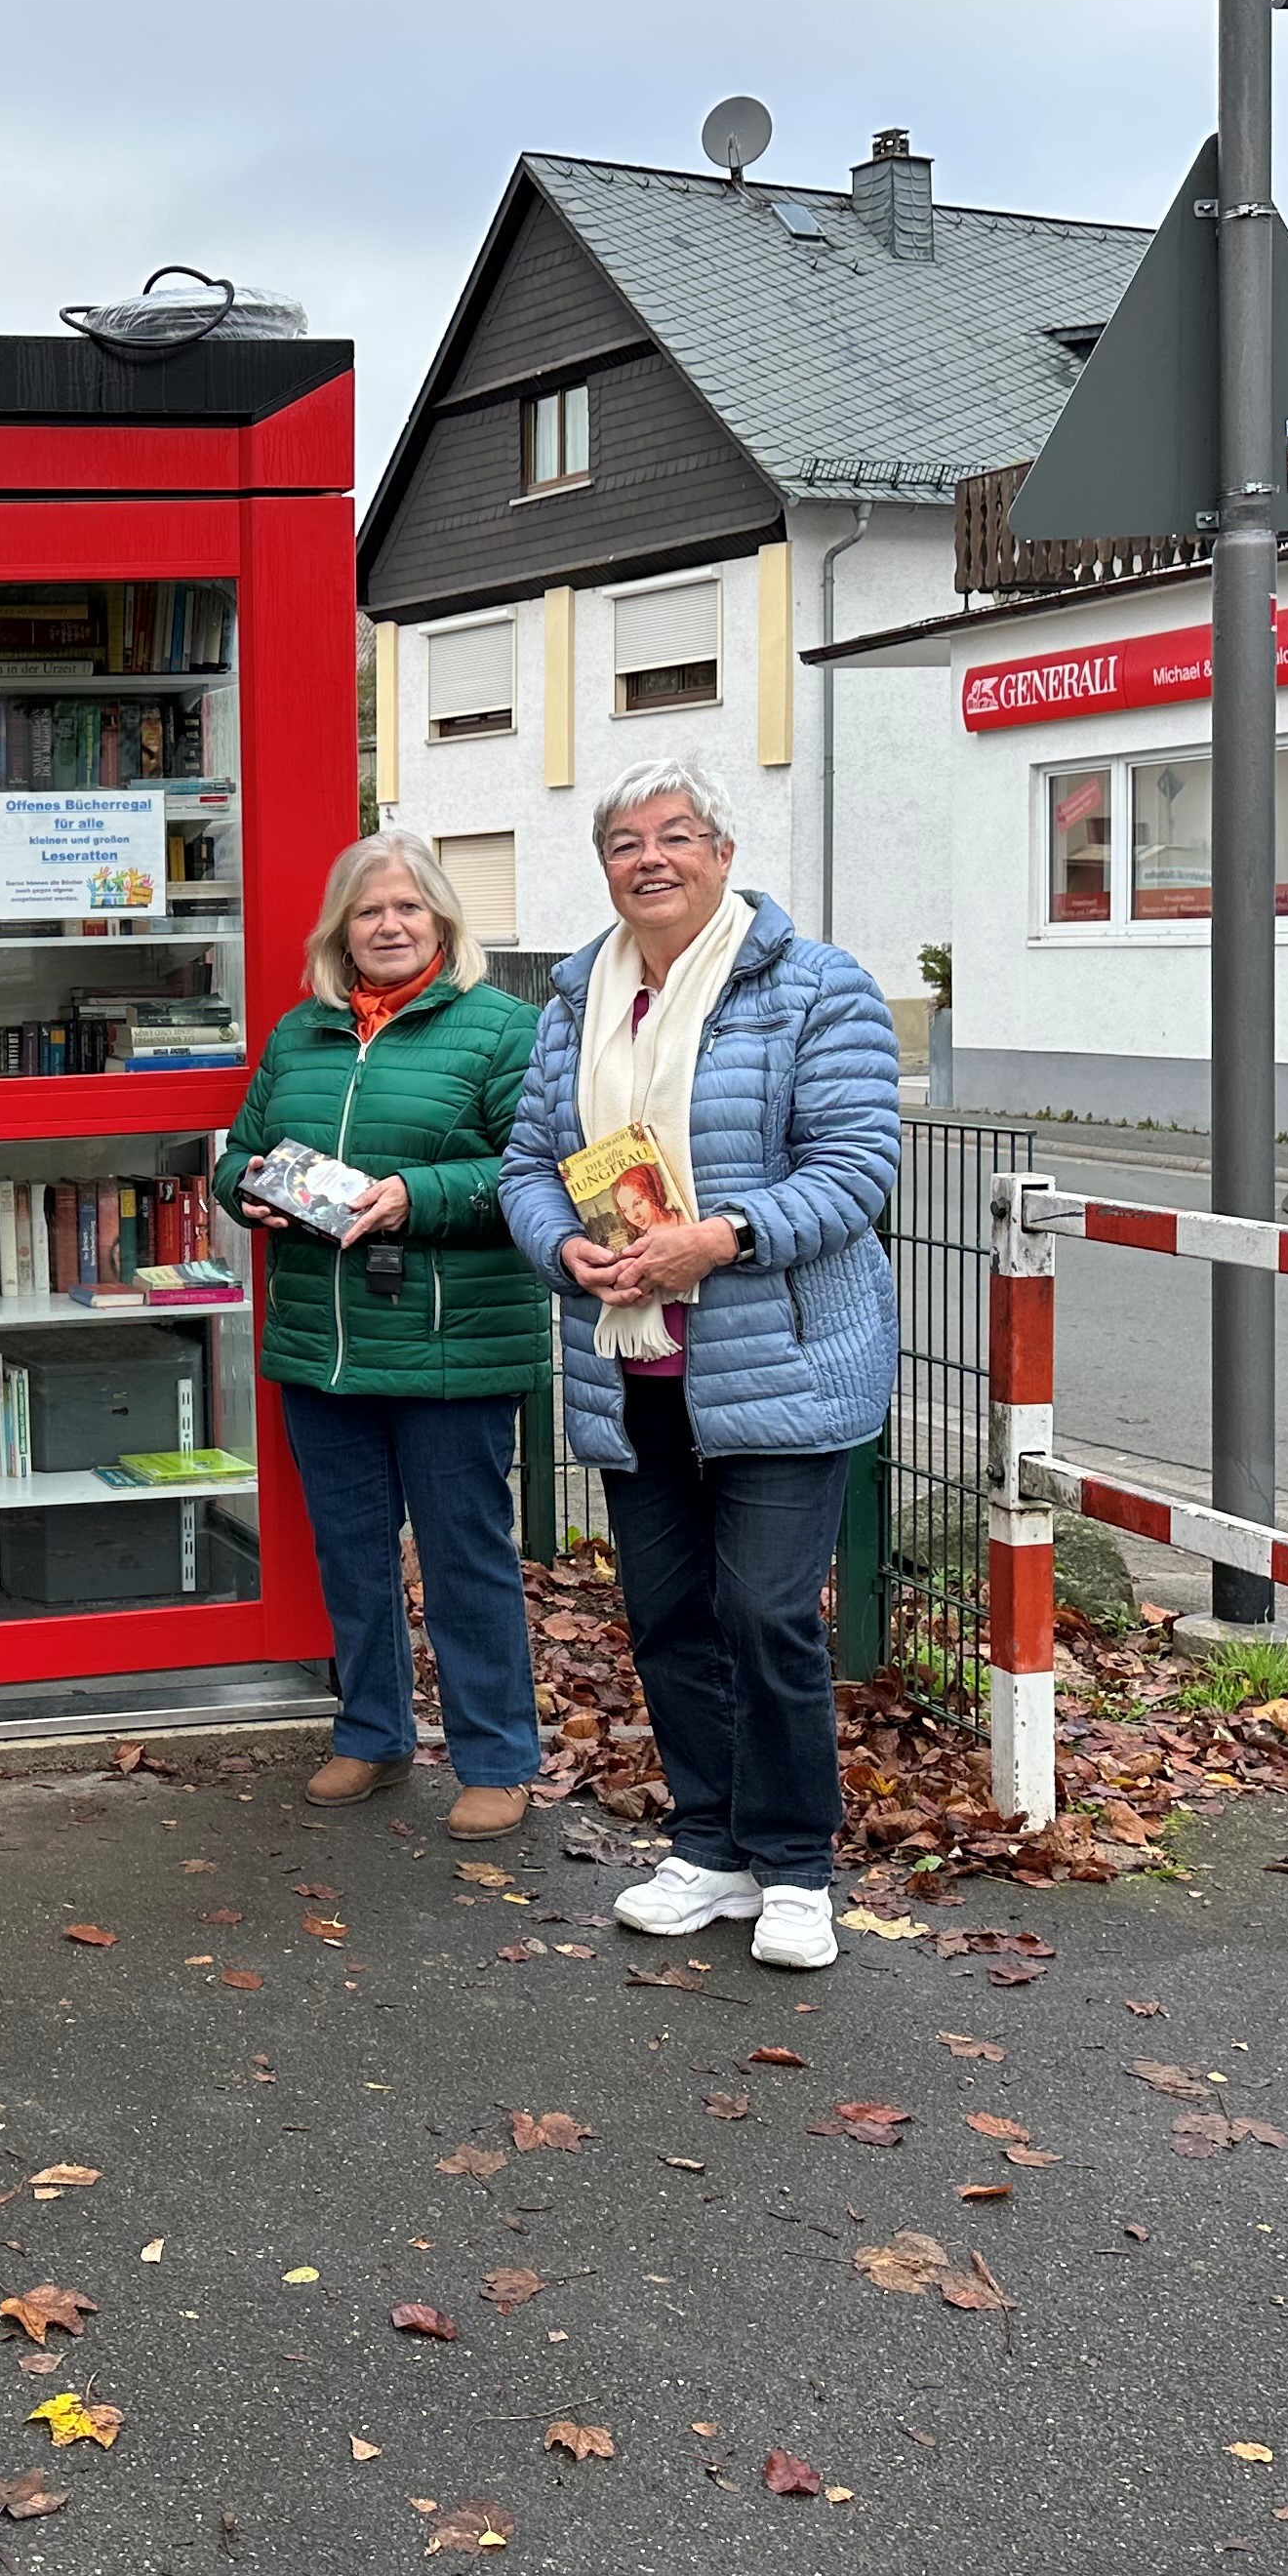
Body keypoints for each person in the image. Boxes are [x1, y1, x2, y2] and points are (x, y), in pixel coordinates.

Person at [497, 758, 901, 1973]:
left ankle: (795, 1868)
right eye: (625, 843)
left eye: (676, 836)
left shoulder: (818, 990)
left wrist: (715, 1240)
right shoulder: (575, 1004)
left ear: (723, 854)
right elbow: (528, 1161)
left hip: (777, 1357)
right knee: (668, 1615)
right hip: (633, 1365)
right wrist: (565, 1247)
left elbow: (856, 1167)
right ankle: (711, 1847)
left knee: (767, 1613)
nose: (650, 859)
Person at [216, 831, 551, 1839]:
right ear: (342, 931)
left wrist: (417, 1197)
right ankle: (371, 1731)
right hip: (327, 1343)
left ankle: (497, 1757)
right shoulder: (299, 1034)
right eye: (370, 911)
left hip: (453, 1343)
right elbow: (236, 1152)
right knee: (352, 1556)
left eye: (409, 908)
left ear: (443, 920)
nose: (391, 925)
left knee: (464, 1558)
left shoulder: (501, 1032)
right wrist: (249, 1191)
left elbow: (536, 1171)